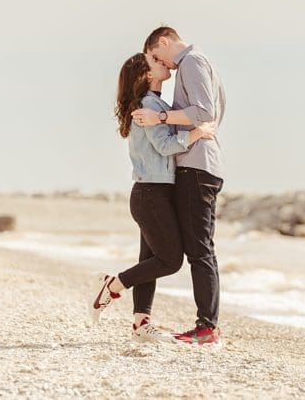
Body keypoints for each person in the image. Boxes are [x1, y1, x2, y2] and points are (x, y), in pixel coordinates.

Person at [89, 52, 216, 342]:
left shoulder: (157, 105)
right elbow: (163, 145)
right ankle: (112, 285)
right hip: (151, 194)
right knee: (170, 260)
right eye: (156, 61)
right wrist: (198, 133)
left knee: (150, 257)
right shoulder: (149, 105)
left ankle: (140, 323)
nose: (163, 62)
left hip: (154, 192)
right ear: (147, 75)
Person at [131, 26, 226, 346]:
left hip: (197, 166)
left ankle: (206, 328)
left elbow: (204, 113)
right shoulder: (199, 62)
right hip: (198, 164)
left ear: (164, 42)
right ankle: (149, 319)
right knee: (191, 248)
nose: (165, 66)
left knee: (199, 250)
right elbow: (209, 114)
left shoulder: (192, 62)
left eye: (158, 57)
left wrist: (159, 119)